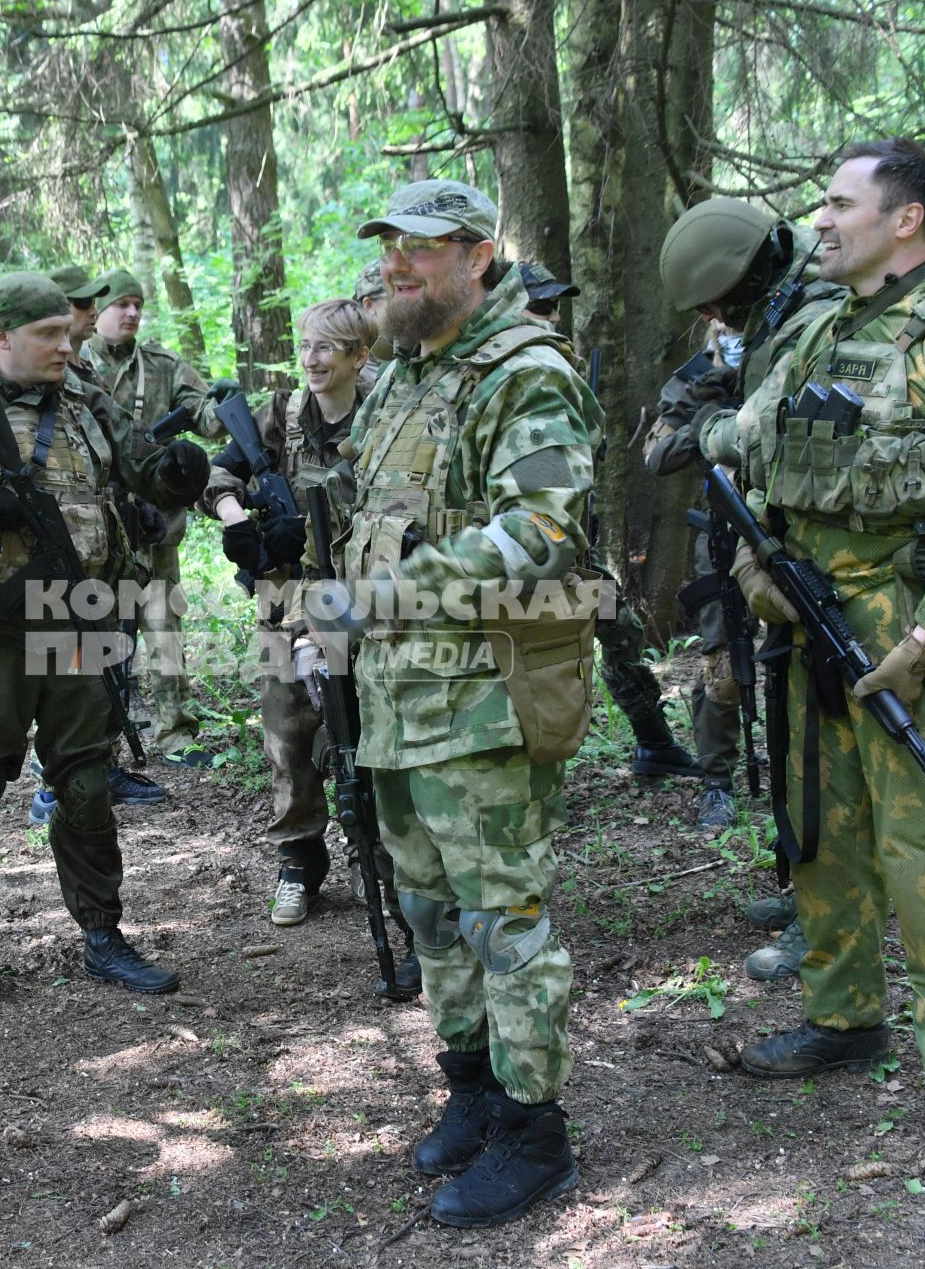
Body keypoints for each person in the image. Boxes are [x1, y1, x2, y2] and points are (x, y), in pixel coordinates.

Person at [704, 140, 925, 1162]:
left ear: (905, 220)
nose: (819, 219)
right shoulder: (821, 333)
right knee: (825, 837)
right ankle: (845, 1016)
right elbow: (773, 468)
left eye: (839, 203)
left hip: (915, 643)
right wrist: (761, 573)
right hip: (818, 629)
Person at [316, 180, 601, 1227]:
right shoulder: (405, 369)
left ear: (480, 255)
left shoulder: (525, 372)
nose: (397, 266)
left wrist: (384, 594)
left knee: (503, 916)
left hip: (480, 696)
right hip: (399, 694)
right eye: (389, 245)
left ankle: (536, 1128)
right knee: (431, 909)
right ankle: (473, 1088)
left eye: (422, 250)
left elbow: (543, 532)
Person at [0, 272, 209, 1022]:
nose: (69, 343)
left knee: (86, 783)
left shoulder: (86, 397)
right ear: (2, 338)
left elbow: (141, 469)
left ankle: (101, 932)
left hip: (73, 616)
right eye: (50, 334)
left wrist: (179, 472)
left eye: (70, 330)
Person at [649, 198, 847, 973]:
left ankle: (823, 903)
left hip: (806, 555)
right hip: (743, 551)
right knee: (743, 685)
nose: (714, 320)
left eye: (720, 304)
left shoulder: (815, 326)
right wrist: (713, 413)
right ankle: (804, 881)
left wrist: (732, 425)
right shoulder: (735, 352)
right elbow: (660, 451)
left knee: (819, 742)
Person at [202, 298, 416, 992]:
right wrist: (241, 520)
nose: (314, 360)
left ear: (361, 355)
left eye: (330, 349)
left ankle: (388, 863)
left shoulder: (389, 410)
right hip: (285, 593)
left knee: (370, 732)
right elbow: (219, 471)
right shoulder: (281, 414)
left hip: (364, 598)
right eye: (306, 347)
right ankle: (299, 861)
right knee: (288, 732)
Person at [514, 262, 701, 792]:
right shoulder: (512, 372)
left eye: (552, 306)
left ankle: (654, 741)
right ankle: (530, 777)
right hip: (524, 548)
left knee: (619, 630)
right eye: (537, 305)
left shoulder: (558, 365)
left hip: (569, 544)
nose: (549, 316)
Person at [26, 262, 169, 821]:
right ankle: (54, 786)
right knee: (67, 666)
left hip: (106, 547)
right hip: (56, 560)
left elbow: (120, 460)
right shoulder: (44, 380)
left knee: (108, 656)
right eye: (81, 305)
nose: (89, 314)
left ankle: (98, 768)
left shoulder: (84, 379)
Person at [82, 271, 218, 767]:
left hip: (156, 525)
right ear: (96, 311)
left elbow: (202, 409)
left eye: (138, 304)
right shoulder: (73, 365)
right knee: (100, 631)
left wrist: (219, 415)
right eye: (121, 304)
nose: (132, 313)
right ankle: (100, 741)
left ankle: (176, 733)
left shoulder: (161, 364)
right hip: (96, 528)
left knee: (164, 627)